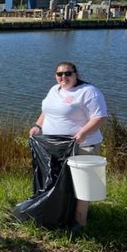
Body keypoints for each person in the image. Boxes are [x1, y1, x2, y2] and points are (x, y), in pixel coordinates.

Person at [28, 61, 107, 229]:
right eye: (59, 74)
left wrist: (83, 133)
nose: (63, 77)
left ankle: (80, 221)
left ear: (76, 74)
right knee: (60, 180)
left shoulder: (88, 92)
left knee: (82, 183)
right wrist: (38, 126)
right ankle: (63, 214)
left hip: (83, 145)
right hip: (56, 146)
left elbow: (99, 117)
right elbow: (46, 111)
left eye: (68, 73)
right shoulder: (54, 90)